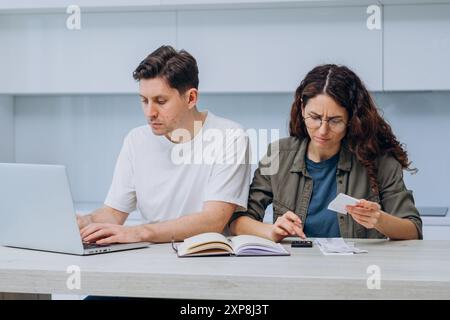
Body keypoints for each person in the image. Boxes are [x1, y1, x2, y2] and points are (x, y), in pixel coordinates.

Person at [77, 45, 251, 244]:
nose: (149, 112)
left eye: (161, 101)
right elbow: (114, 213)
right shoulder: (136, 140)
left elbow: (213, 221)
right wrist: (85, 221)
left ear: (191, 98)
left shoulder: (230, 137)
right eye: (144, 100)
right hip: (151, 258)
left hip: (206, 258)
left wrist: (139, 233)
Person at [230, 64, 422, 242]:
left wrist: (378, 219)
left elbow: (413, 230)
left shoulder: (379, 160)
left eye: (335, 120)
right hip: (295, 270)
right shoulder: (278, 154)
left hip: (359, 272)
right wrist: (271, 230)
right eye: (314, 117)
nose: (322, 130)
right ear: (302, 109)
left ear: (351, 119)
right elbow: (239, 221)